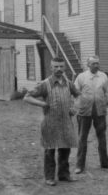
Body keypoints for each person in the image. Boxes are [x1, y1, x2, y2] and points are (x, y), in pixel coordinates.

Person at [24, 57, 80, 186]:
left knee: (65, 149)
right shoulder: (45, 84)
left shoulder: (69, 83)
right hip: (50, 122)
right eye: (56, 66)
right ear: (51, 68)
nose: (59, 69)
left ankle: (64, 175)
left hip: (66, 122)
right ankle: (49, 177)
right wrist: (42, 104)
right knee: (50, 150)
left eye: (61, 66)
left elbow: (78, 95)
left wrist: (74, 107)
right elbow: (27, 97)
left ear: (64, 67)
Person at [73, 55, 108, 174]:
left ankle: (105, 163)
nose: (96, 65)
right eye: (93, 63)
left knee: (102, 137)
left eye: (97, 63)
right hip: (84, 111)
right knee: (82, 138)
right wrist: (80, 105)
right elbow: (75, 92)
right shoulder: (81, 77)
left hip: (100, 111)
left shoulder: (103, 76)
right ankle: (79, 165)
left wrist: (103, 103)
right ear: (88, 65)